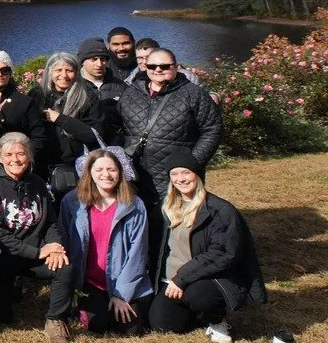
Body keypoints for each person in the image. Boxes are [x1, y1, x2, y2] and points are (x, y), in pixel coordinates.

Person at [148, 148, 272, 343]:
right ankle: (195, 315)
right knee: (163, 324)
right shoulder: (165, 207)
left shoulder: (220, 210)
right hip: (170, 280)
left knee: (199, 297)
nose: (180, 179)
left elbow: (222, 253)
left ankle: (215, 320)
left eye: (186, 172)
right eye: (174, 174)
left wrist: (182, 278)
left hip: (208, 277)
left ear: (197, 174)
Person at [0, 132, 76, 343]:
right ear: (0, 159)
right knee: (1, 317)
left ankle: (56, 320)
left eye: (21, 154)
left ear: (29, 157)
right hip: (6, 256)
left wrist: (55, 247)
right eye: (9, 154)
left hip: (37, 253)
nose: (15, 159)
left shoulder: (38, 183)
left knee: (65, 268)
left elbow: (50, 221)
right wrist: (36, 253)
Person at [58, 149, 153, 337]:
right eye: (99, 169)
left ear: (120, 172)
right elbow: (64, 240)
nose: (106, 175)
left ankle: (119, 301)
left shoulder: (134, 205)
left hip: (122, 280)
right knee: (98, 325)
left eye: (112, 169)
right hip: (89, 281)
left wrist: (121, 294)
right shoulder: (71, 201)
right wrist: (70, 286)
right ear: (89, 172)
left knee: (131, 330)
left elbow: (138, 253)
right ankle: (86, 307)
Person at [120, 47, 224, 214]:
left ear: (176, 67)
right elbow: (118, 125)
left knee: (177, 220)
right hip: (138, 171)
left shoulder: (194, 94)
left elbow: (212, 130)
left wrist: (191, 164)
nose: (158, 70)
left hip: (174, 173)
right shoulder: (132, 92)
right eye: (152, 66)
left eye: (165, 66)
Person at [35, 51, 106, 198]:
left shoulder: (87, 96)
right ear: (49, 72)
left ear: (77, 72)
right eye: (58, 70)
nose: (64, 75)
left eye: (69, 70)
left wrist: (61, 119)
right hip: (42, 166)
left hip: (75, 167)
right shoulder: (38, 94)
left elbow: (93, 134)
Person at [0, 51, 50, 181]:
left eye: (5, 70)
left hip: (17, 169)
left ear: (10, 73)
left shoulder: (24, 102)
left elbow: (39, 137)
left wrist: (22, 159)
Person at [74, 39, 129, 145]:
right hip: (81, 145)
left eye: (103, 59)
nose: (99, 64)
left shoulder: (121, 86)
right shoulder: (74, 85)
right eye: (93, 59)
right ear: (82, 61)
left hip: (114, 144)